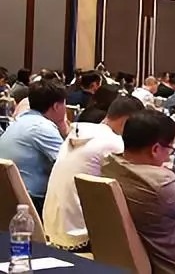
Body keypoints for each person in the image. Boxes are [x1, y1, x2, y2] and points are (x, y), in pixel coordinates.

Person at [101, 111, 175, 274]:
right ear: (155, 149)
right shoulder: (160, 183)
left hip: (150, 257)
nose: (168, 157)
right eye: (170, 149)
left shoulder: (110, 166)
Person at [44, 96, 144, 251]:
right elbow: (137, 185)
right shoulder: (113, 143)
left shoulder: (79, 133)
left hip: (52, 227)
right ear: (127, 120)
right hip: (81, 234)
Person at [0, 81, 68, 210]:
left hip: (8, 197)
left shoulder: (20, 121)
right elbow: (66, 164)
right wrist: (64, 130)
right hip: (31, 201)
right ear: (56, 106)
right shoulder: (42, 128)